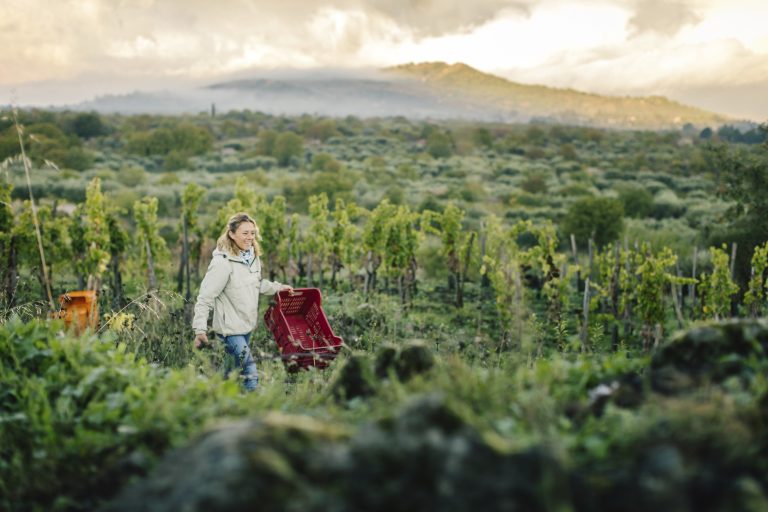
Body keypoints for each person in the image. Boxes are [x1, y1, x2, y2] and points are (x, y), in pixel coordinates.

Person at [192, 212, 292, 391]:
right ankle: (253, 404)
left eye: (252, 233)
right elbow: (205, 297)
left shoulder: (252, 257)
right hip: (229, 328)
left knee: (231, 370)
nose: (250, 237)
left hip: (246, 324)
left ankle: (214, 395)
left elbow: (256, 284)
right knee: (249, 367)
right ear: (231, 234)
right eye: (245, 233)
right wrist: (200, 328)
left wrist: (278, 288)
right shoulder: (223, 263)